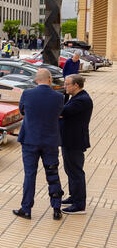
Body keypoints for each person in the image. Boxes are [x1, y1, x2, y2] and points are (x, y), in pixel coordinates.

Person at [13, 68, 65, 220]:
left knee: (30, 175)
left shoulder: (27, 94)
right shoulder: (59, 97)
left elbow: (22, 112)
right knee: (53, 174)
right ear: (50, 79)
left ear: (37, 79)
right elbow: (59, 113)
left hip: (30, 140)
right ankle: (56, 209)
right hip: (50, 142)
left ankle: (26, 209)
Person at [59, 74, 93, 215]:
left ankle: (79, 205)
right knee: (70, 171)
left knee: (76, 172)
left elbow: (62, 112)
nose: (65, 86)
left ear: (76, 85)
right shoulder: (76, 98)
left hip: (75, 141)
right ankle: (74, 197)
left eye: (67, 84)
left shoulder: (82, 100)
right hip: (69, 140)